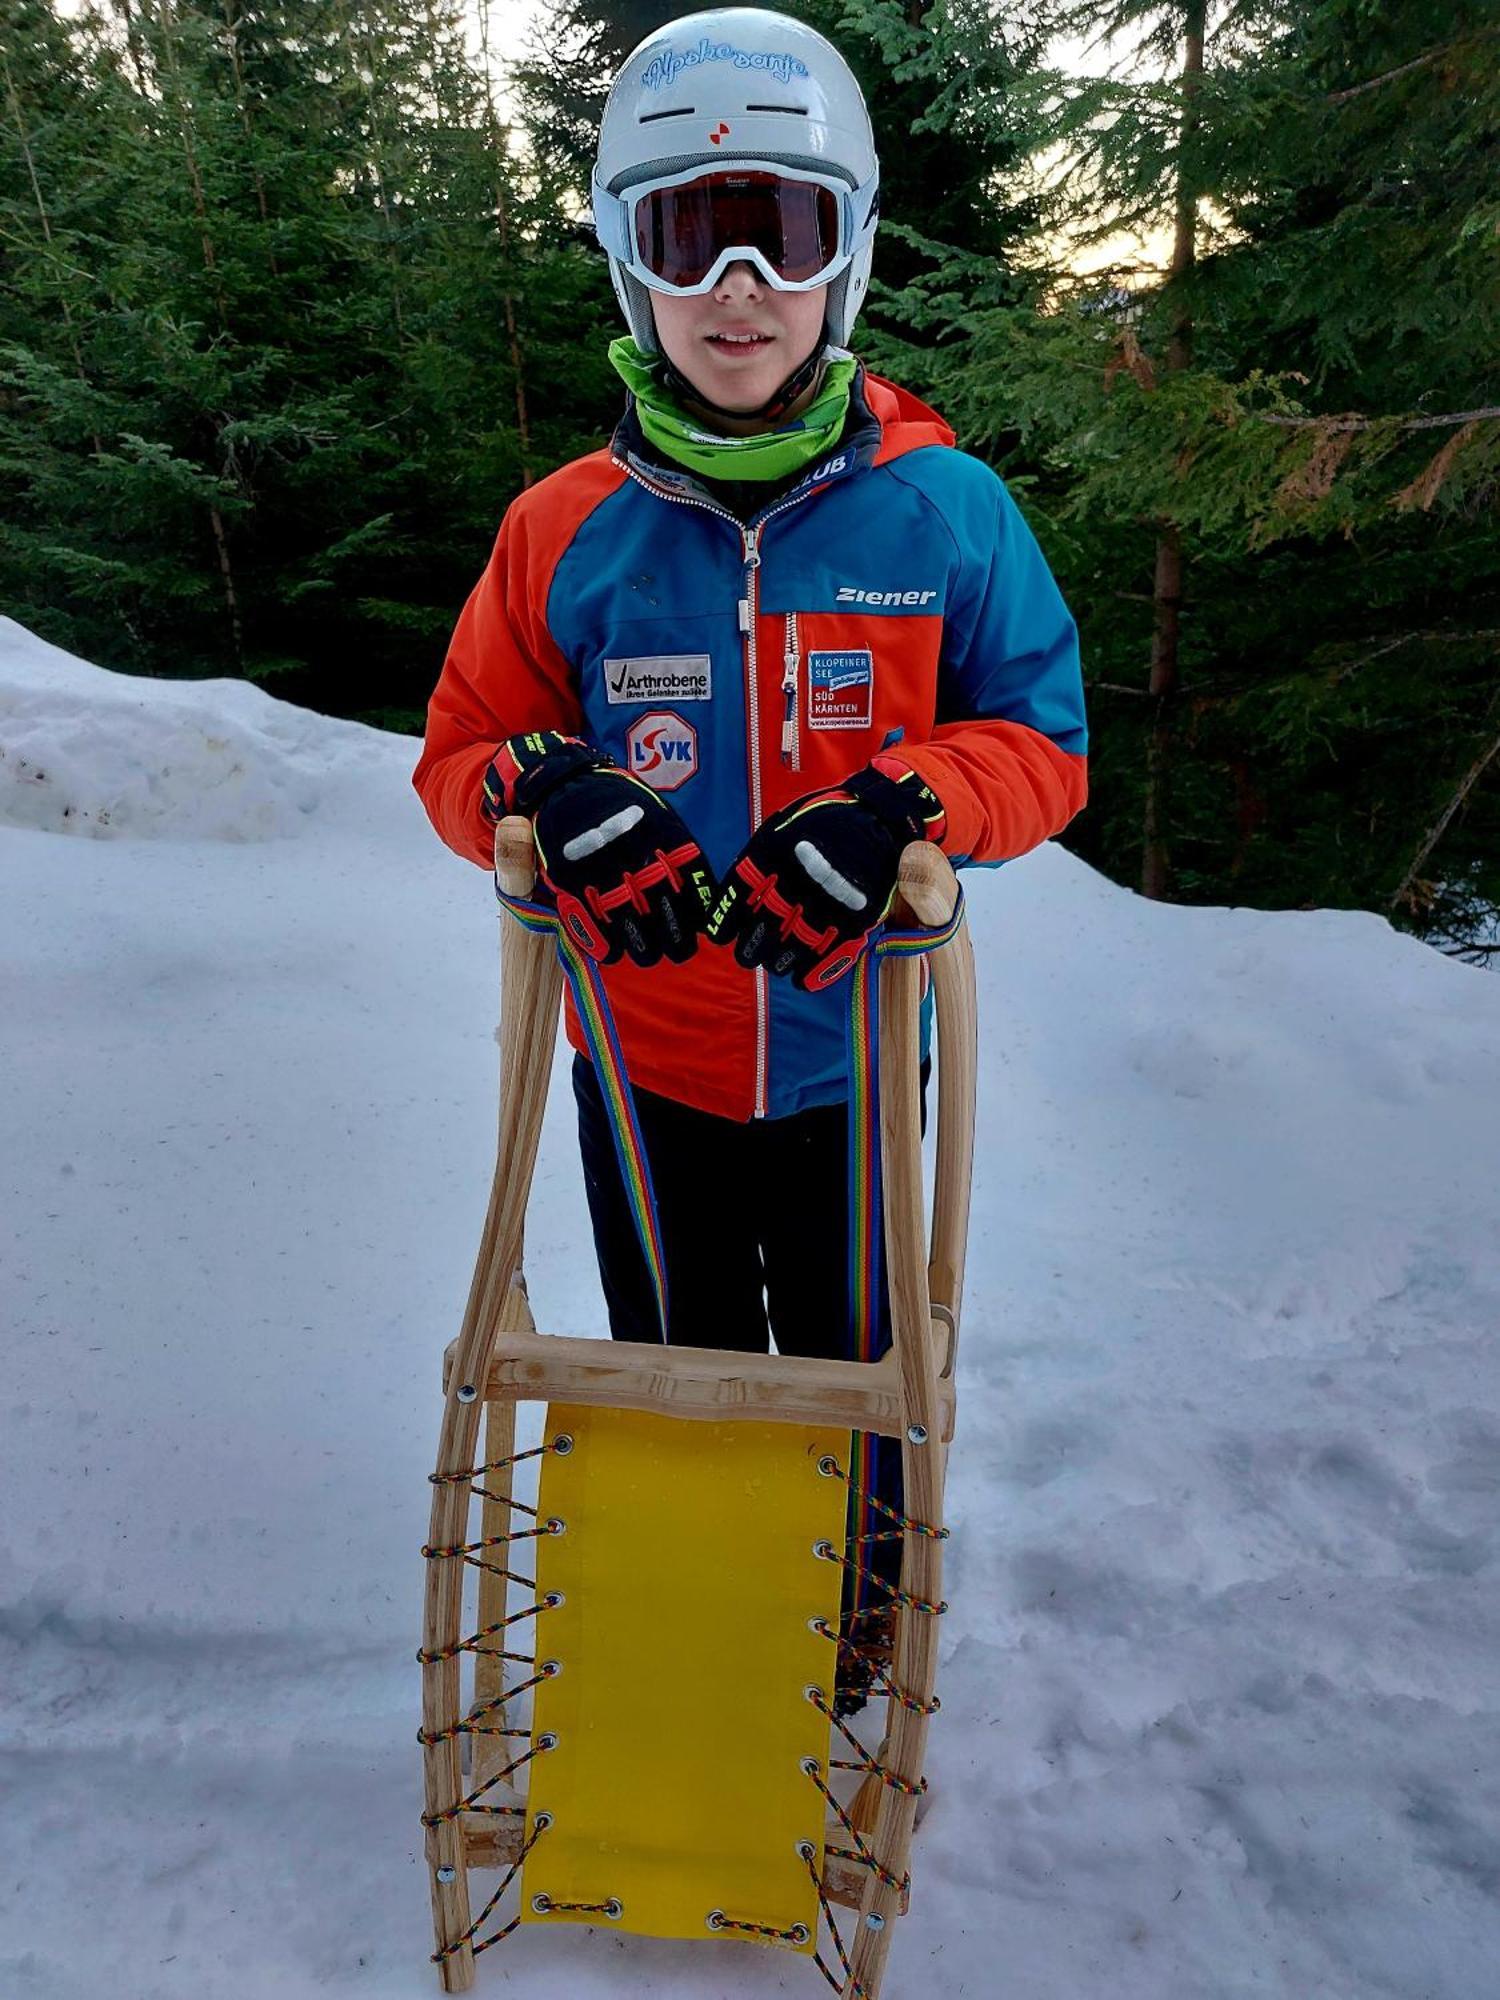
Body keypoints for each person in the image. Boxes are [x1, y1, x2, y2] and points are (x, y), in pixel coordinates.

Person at [413, 7, 1087, 1707]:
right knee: (684, 1354)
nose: (735, 283)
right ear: (625, 260)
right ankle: (713, 1631)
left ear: (844, 247)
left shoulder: (945, 515)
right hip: (641, 1060)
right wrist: (543, 794)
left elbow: (1046, 742)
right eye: (682, 231)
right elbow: (460, 754)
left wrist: (906, 805)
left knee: (858, 1357)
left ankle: (854, 1625)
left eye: (777, 228)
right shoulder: (565, 528)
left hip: (857, 1055)